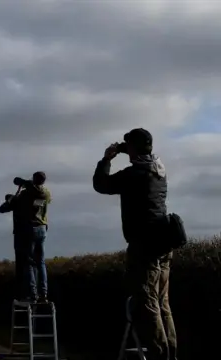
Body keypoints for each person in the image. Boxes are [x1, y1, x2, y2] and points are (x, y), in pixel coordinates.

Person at [92, 128, 177, 360]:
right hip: (164, 240)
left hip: (144, 244)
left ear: (134, 148)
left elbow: (101, 184)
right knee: (162, 302)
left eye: (127, 146)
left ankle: (160, 355)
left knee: (148, 302)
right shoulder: (159, 169)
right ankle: (171, 353)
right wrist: (125, 148)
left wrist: (107, 158)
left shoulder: (134, 174)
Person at [0, 172, 52, 303]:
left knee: (29, 262)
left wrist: (15, 195)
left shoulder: (25, 195)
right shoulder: (46, 193)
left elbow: (3, 208)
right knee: (41, 262)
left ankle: (33, 294)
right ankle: (43, 294)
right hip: (42, 228)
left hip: (29, 229)